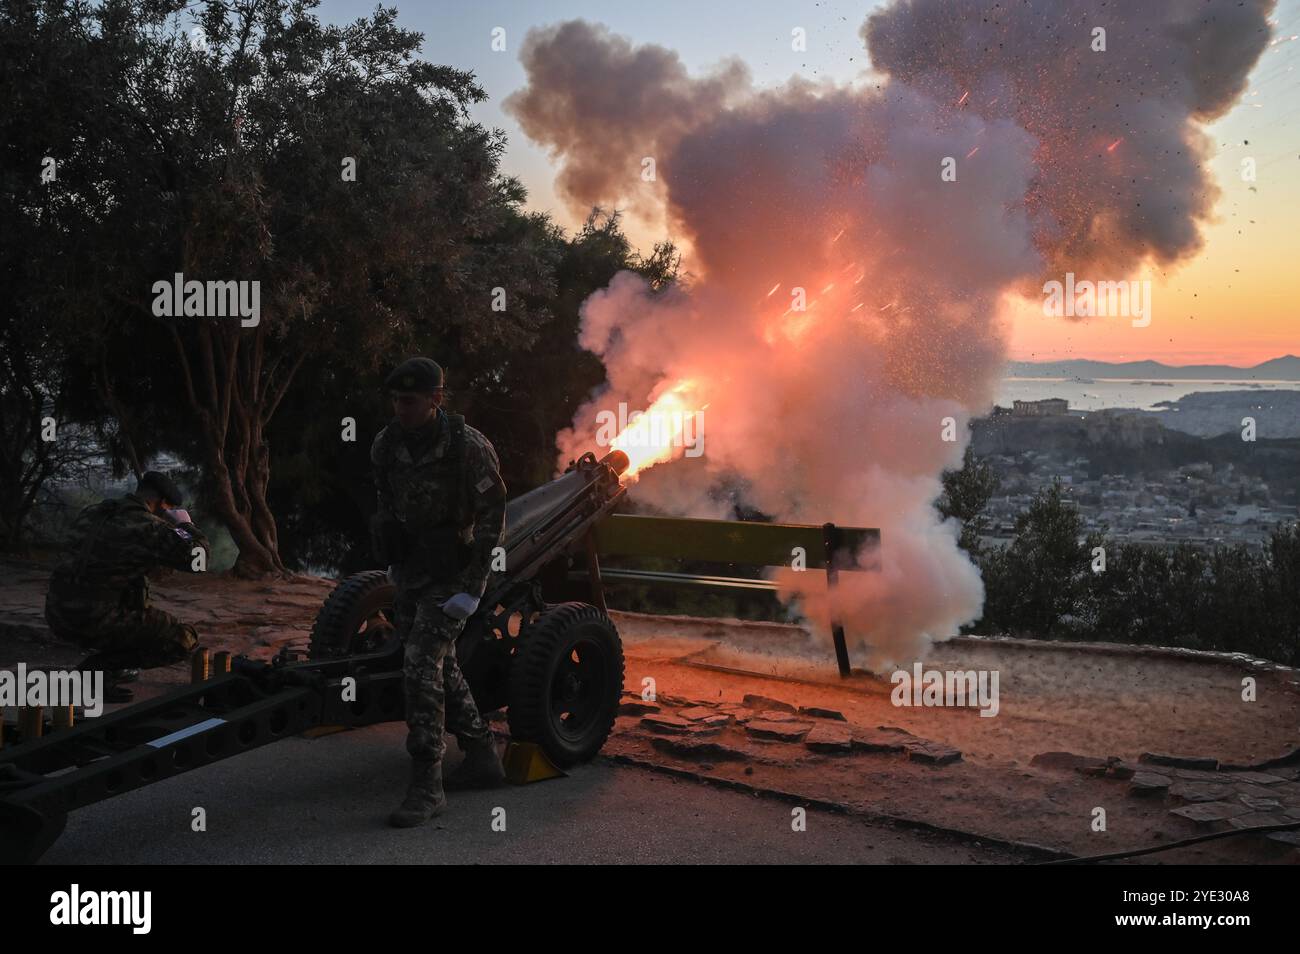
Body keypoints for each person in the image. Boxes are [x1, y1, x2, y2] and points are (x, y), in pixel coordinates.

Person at [371, 356, 508, 828]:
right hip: (412, 571)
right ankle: (482, 752)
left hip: (454, 572)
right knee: (442, 662)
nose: (400, 409)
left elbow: (493, 518)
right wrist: (392, 557)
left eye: (409, 400)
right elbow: (386, 501)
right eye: (395, 400)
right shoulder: (387, 445)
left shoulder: (469, 447)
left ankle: (428, 786)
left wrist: (473, 588)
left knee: (421, 662)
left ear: (436, 398)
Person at [44, 471, 209, 702]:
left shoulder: (93, 513)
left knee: (134, 592)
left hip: (57, 613)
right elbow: (199, 560)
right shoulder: (145, 526)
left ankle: (105, 666)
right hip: (95, 618)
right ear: (162, 504)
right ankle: (99, 668)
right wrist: (184, 525)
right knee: (183, 638)